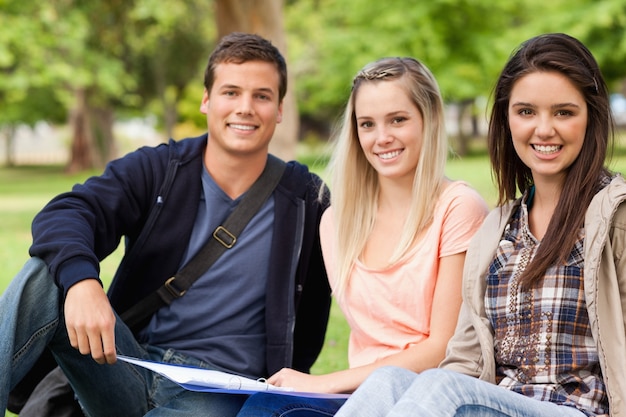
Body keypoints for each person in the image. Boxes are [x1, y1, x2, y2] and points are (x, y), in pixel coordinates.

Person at [0, 32, 332, 417]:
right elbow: (68, 211)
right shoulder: (161, 169)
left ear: (279, 109)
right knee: (46, 277)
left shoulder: (307, 199)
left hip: (220, 388)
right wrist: (82, 282)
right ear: (206, 101)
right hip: (128, 363)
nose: (245, 107)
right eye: (231, 92)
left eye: (261, 95)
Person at [334, 32, 626, 417]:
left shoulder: (615, 217)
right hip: (502, 404)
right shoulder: (496, 231)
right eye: (526, 112)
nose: (543, 129)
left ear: (591, 117)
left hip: (579, 410)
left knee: (444, 387)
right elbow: (466, 360)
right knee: (387, 381)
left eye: (563, 112)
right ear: (506, 120)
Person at [236, 56, 488, 416]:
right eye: (367, 124)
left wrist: (326, 380)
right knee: (266, 408)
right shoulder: (337, 222)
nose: (382, 138)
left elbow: (443, 346)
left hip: (428, 399)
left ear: (429, 119)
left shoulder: (459, 208)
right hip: (359, 397)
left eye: (398, 120)